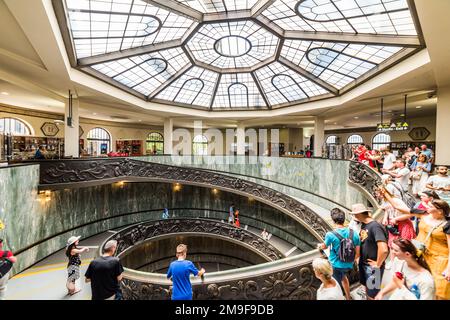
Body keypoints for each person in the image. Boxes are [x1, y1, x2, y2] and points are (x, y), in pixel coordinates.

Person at [318, 208, 360, 300]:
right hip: (349, 264)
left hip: (336, 265)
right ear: (344, 219)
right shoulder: (354, 233)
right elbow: (357, 253)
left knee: (335, 285)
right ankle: (348, 297)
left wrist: (320, 246)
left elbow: (324, 246)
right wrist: (350, 261)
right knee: (344, 278)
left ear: (333, 221)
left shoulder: (330, 234)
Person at [350, 203, 389, 299]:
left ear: (358, 214)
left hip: (373, 268)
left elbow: (384, 249)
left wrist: (378, 264)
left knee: (373, 295)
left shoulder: (375, 227)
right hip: (366, 265)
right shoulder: (364, 224)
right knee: (369, 291)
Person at [413, 200, 450, 299]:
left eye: (430, 206)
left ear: (440, 211)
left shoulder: (447, 225)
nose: (426, 206)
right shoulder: (425, 215)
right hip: (425, 256)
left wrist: (449, 268)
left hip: (441, 260)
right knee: (423, 284)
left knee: (439, 287)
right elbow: (406, 209)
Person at [378, 187, 415, 262]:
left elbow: (410, 214)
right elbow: (387, 209)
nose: (377, 195)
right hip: (393, 225)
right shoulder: (385, 201)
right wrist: (385, 218)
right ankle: (392, 263)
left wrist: (396, 219)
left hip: (403, 225)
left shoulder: (396, 201)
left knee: (403, 245)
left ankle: (406, 262)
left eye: (379, 193)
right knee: (392, 245)